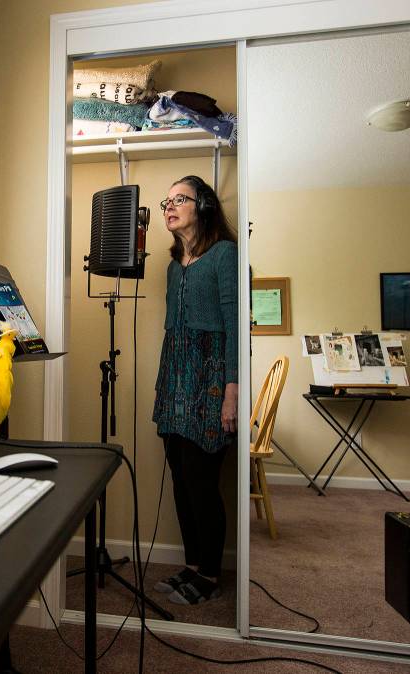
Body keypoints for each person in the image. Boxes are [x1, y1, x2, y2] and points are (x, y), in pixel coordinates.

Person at [151, 175, 238, 606]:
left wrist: (232, 390)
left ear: (202, 205)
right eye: (166, 202)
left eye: (179, 199)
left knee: (202, 482)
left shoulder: (224, 255)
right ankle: (192, 563)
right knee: (181, 481)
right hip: (174, 380)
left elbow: (234, 327)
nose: (169, 207)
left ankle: (209, 573)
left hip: (209, 382)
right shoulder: (173, 266)